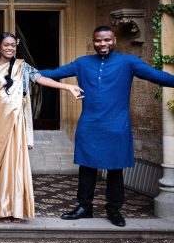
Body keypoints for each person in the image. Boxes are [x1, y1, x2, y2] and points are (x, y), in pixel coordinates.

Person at [40, 26, 174, 227]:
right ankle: (84, 207)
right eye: (98, 41)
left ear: (115, 40)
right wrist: (19, 71)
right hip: (89, 125)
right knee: (87, 168)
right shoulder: (82, 63)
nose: (102, 44)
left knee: (115, 170)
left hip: (117, 126)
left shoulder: (129, 62)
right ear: (93, 41)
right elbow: (53, 73)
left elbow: (158, 76)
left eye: (107, 40)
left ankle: (114, 209)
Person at [0, 32, 84, 221]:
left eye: (13, 45)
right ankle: (2, 206)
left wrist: (68, 87)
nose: (10, 48)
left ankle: (16, 208)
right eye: (6, 45)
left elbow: (41, 79)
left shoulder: (23, 66)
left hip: (17, 117)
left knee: (17, 162)